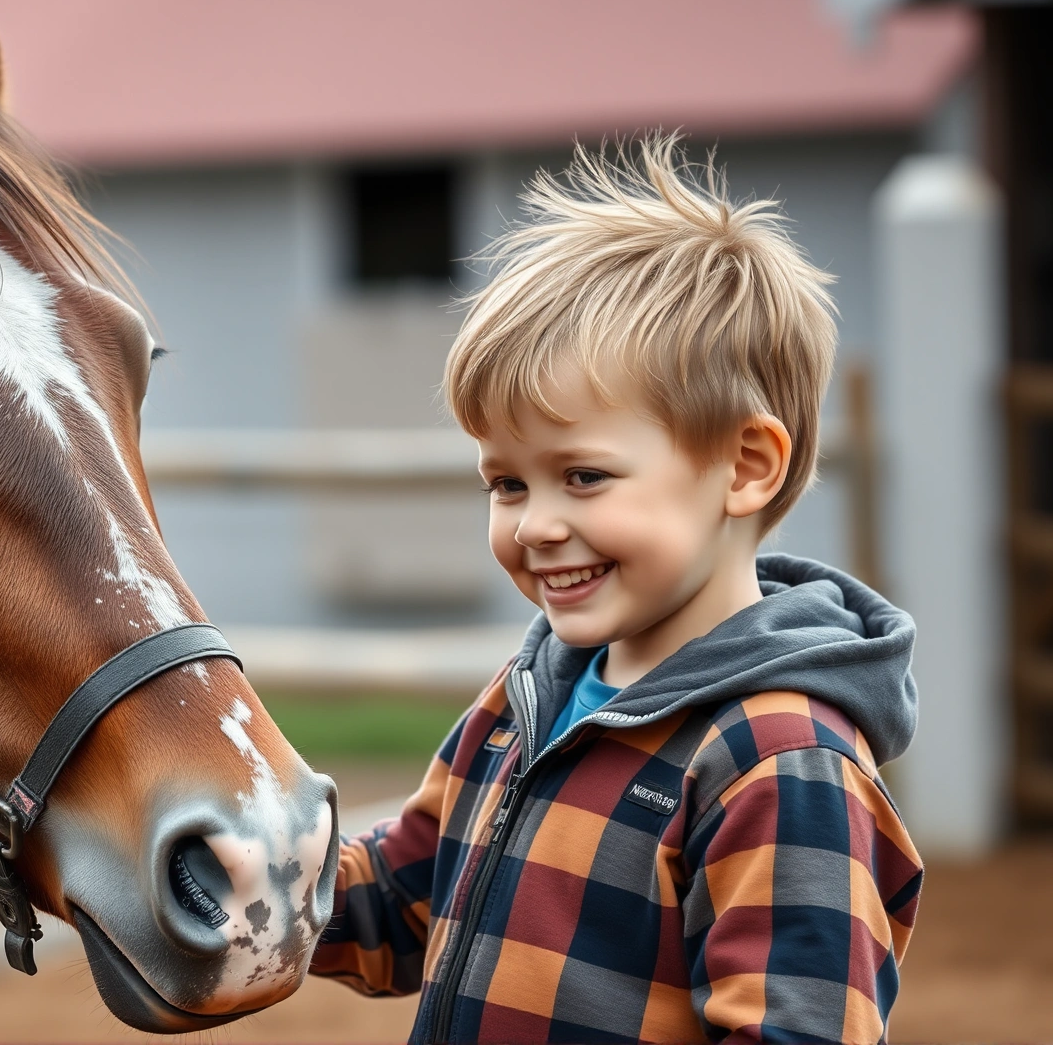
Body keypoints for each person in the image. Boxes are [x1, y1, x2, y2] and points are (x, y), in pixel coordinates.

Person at [310, 136, 923, 1043]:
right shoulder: (530, 696)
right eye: (507, 484)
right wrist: (266, 872)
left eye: (584, 477)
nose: (535, 525)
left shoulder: (780, 762)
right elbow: (402, 902)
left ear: (745, 467)